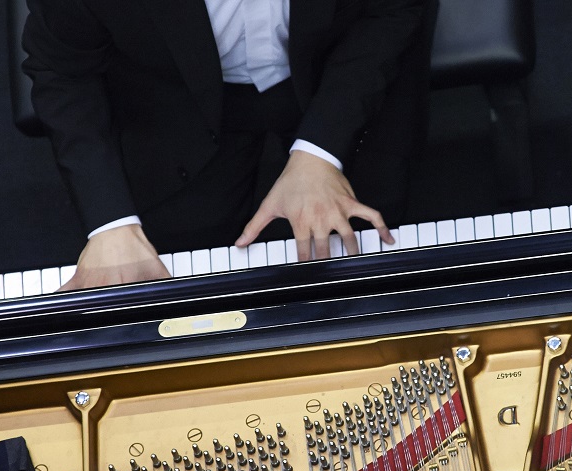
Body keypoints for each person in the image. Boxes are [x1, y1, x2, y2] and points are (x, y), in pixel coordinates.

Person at [22, 0, 436, 290]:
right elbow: (62, 68)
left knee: (367, 265)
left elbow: (392, 9)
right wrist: (110, 224)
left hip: (334, 76)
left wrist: (320, 150)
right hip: (172, 102)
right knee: (174, 286)